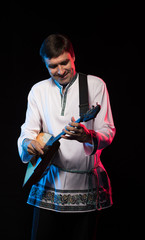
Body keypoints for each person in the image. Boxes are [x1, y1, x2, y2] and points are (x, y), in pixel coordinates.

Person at [17, 34, 116, 240]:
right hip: (48, 182)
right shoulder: (38, 90)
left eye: (64, 63)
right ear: (45, 64)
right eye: (52, 66)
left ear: (73, 57)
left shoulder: (95, 85)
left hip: (85, 185)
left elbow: (108, 131)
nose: (60, 71)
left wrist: (87, 136)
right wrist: (28, 143)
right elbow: (28, 130)